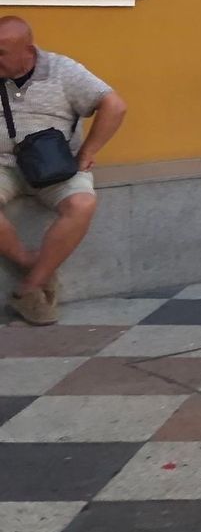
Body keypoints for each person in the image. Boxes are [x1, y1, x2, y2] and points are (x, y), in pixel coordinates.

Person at [0, 18, 126, 326]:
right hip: (3, 164)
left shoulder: (61, 70)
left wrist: (89, 152)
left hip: (55, 165)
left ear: (27, 50)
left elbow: (115, 106)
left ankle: (29, 290)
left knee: (82, 204)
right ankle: (32, 262)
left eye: (1, 52)